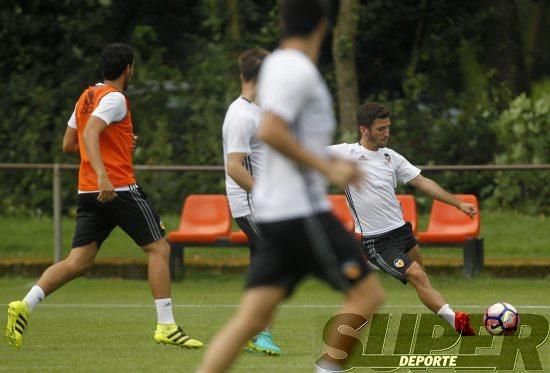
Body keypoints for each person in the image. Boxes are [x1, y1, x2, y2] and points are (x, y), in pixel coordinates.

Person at [199, 1, 385, 372]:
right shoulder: (298, 71)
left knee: (251, 319)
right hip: (300, 211)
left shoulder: (279, 67)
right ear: (322, 26)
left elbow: (288, 138)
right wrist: (328, 169)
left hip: (276, 213)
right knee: (367, 294)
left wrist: (325, 162)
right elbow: (272, 132)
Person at [6, 43, 203, 350]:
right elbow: (88, 135)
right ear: (128, 69)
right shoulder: (116, 99)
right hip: (117, 189)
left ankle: (25, 305)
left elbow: (69, 143)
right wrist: (103, 174)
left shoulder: (86, 97)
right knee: (160, 250)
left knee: (78, 261)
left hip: (87, 192)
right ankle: (166, 326)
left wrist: (117, 145)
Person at [328, 102, 477, 336]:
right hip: (376, 241)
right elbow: (303, 151)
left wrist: (458, 203)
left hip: (401, 232)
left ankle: (445, 316)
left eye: (388, 127)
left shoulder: (391, 157)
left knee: (422, 278)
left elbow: (423, 182)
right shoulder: (344, 153)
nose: (386, 133)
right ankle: (456, 322)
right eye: (380, 129)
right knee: (416, 275)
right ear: (363, 130)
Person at [221, 48, 282, 355]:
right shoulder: (241, 115)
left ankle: (252, 331)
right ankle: (258, 333)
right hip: (250, 206)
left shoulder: (258, 111)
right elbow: (234, 167)